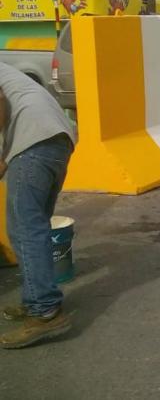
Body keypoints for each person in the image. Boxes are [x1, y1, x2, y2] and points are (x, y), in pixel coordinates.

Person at [0, 62, 75, 349]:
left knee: (25, 229)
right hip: (57, 142)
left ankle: (44, 311)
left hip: (34, 145)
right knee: (31, 229)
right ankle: (36, 298)